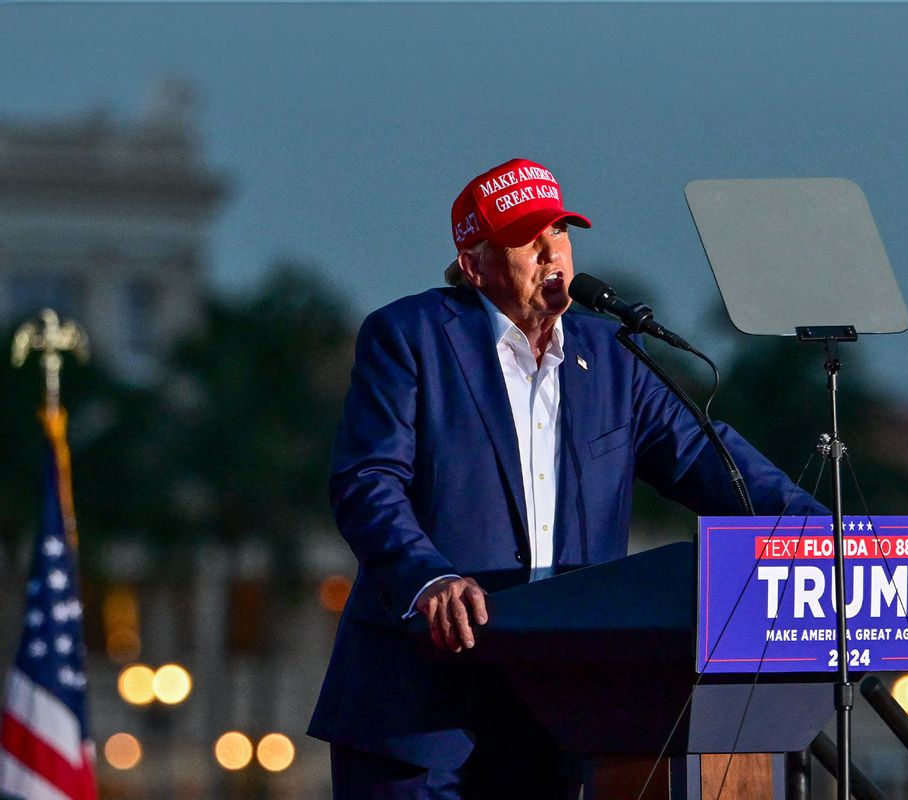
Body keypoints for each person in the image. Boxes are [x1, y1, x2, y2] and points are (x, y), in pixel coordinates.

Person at [308, 157, 826, 799]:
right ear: (475, 264)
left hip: (558, 708)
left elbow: (710, 459)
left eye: (562, 234)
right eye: (530, 240)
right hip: (419, 706)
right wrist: (428, 576)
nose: (554, 255)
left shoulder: (613, 356)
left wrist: (827, 540)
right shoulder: (410, 337)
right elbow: (367, 479)